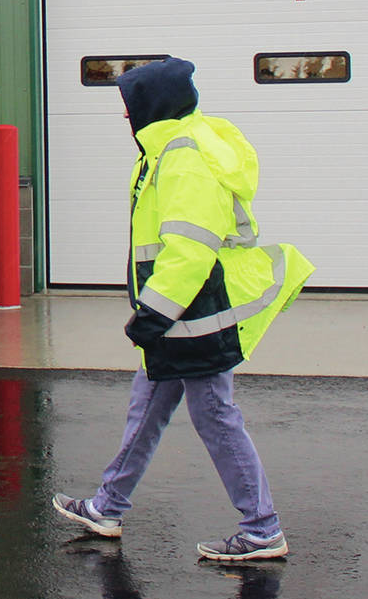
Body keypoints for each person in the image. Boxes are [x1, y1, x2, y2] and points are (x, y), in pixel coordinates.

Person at [52, 56, 312, 562]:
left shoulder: (185, 158)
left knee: (214, 413)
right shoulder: (169, 149)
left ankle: (262, 528)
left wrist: (153, 314)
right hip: (182, 313)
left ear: (152, 106)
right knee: (147, 405)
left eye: (129, 106)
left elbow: (190, 249)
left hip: (193, 312)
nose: (124, 117)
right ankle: (107, 505)